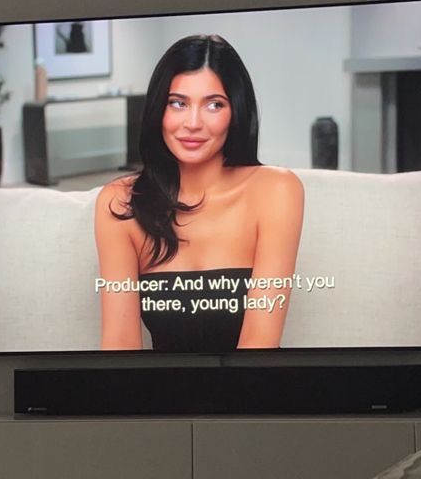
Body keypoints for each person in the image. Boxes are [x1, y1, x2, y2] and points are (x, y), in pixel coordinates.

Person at [95, 34, 304, 351]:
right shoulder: (121, 203)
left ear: (236, 112)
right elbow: (120, 346)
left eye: (214, 104)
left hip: (250, 393)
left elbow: (259, 345)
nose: (193, 123)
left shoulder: (277, 191)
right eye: (177, 103)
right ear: (157, 110)